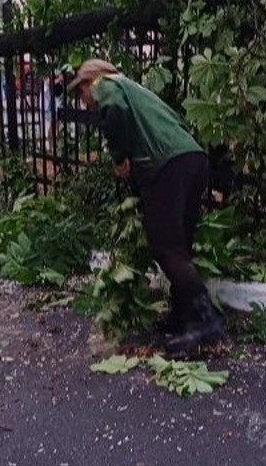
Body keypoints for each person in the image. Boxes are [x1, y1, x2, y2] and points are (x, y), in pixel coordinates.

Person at [68, 58, 225, 353]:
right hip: (192, 158)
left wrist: (120, 157)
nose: (85, 100)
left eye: (81, 91)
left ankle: (206, 322)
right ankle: (183, 315)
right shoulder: (137, 89)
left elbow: (113, 110)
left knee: (165, 246)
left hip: (167, 164)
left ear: (91, 81)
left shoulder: (110, 86)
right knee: (180, 246)